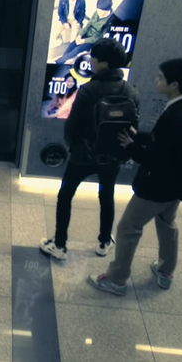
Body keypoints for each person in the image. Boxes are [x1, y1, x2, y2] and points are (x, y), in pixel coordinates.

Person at [88, 58, 182, 295]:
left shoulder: (176, 116)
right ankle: (165, 271)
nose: (156, 80)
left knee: (129, 227)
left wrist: (131, 146)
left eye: (161, 77)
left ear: (174, 84)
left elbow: (158, 159)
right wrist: (138, 136)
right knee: (166, 224)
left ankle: (116, 280)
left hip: (156, 187)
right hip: (177, 185)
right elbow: (167, 143)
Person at [41, 39, 139, 260]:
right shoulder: (130, 91)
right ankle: (104, 242)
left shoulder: (87, 90)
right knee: (106, 195)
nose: (91, 61)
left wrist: (72, 147)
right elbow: (134, 126)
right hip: (112, 156)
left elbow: (72, 125)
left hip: (82, 156)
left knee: (65, 196)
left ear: (103, 63)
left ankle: (60, 245)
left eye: (93, 58)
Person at [56, 0, 117, 64]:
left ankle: (58, 62)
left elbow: (100, 38)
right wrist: (80, 35)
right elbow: (89, 25)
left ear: (106, 11)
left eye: (100, 11)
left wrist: (84, 41)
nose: (98, 12)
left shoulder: (112, 21)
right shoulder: (97, 12)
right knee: (72, 44)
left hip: (95, 41)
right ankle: (61, 61)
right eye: (97, 9)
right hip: (87, 34)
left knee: (78, 49)